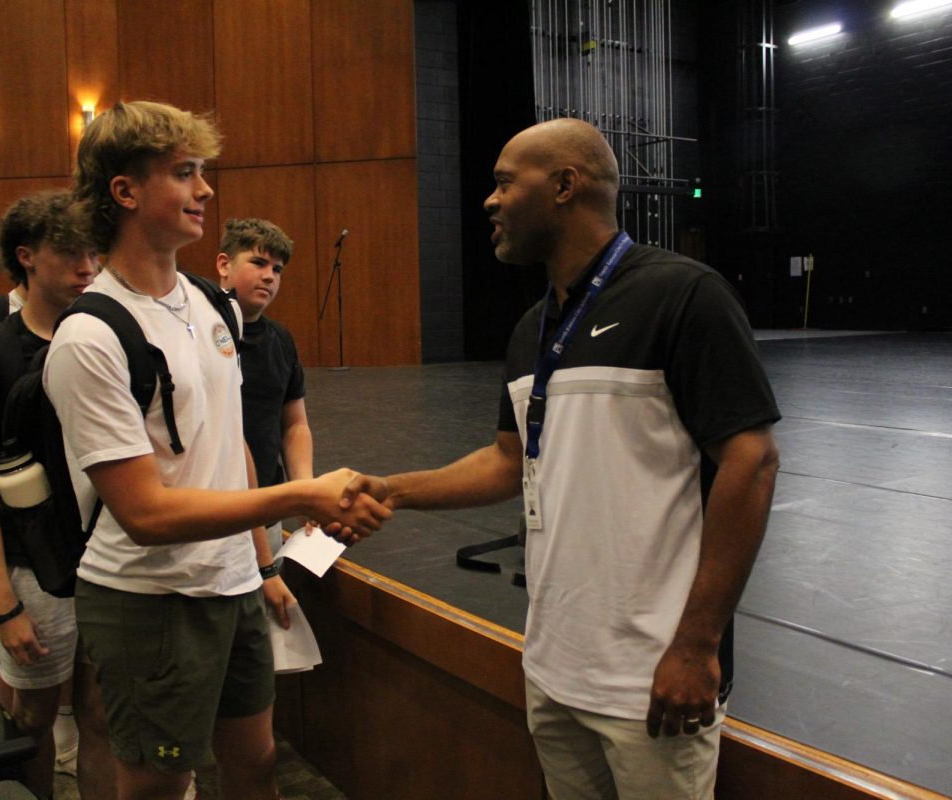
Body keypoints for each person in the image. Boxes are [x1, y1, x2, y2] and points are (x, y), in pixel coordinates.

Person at [340, 118, 781, 800]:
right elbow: (506, 460)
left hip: (651, 679)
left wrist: (696, 645)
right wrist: (392, 490)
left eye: (504, 183)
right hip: (553, 669)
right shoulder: (533, 328)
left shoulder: (683, 296)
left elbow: (751, 463)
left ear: (566, 185)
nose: (489, 201)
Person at [42, 100, 389, 800]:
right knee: (159, 785)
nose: (206, 191)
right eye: (186, 173)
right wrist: (300, 495)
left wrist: (263, 565)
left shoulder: (212, 305)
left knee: (255, 762)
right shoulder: (92, 336)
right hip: (152, 600)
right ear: (126, 191)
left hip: (233, 585)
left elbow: (228, 449)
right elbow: (144, 514)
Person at [0, 191, 115, 799]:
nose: (86, 267)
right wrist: (3, 604)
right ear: (26, 258)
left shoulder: (105, 344)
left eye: (93, 253)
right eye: (69, 252)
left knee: (100, 716)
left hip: (109, 563)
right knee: (34, 721)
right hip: (31, 571)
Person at [216, 218, 313, 556]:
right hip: (210, 512)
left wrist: (304, 492)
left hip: (267, 511)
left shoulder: (281, 339)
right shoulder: (196, 332)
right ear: (224, 265)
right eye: (258, 263)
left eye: (278, 269)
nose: (270, 276)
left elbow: (295, 425)